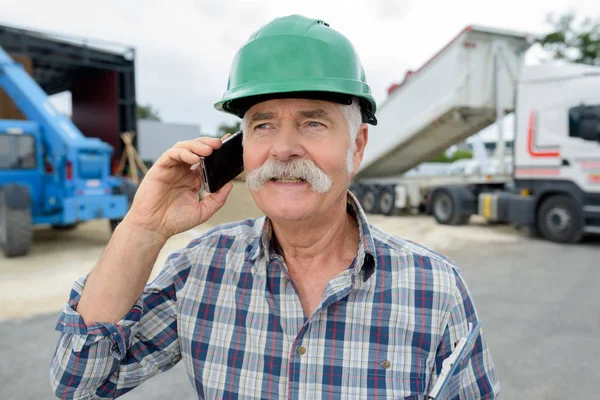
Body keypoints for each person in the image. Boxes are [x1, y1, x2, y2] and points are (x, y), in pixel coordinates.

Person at [50, 14, 499, 399]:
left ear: (357, 147)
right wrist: (143, 229)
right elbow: (79, 383)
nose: (283, 149)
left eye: (313, 122)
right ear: (240, 148)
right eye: (263, 125)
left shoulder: (433, 289)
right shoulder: (201, 268)